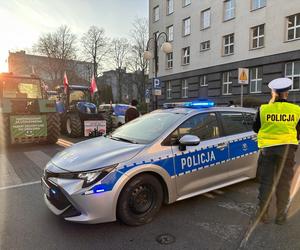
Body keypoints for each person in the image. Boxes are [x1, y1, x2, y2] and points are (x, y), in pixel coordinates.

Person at [252, 77, 300, 225]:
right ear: (287, 92)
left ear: (273, 92)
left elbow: (255, 128)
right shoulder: (296, 109)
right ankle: (280, 216)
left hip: (268, 151)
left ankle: (263, 215)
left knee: (266, 182)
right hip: (287, 151)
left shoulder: (263, 109)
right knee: (284, 183)